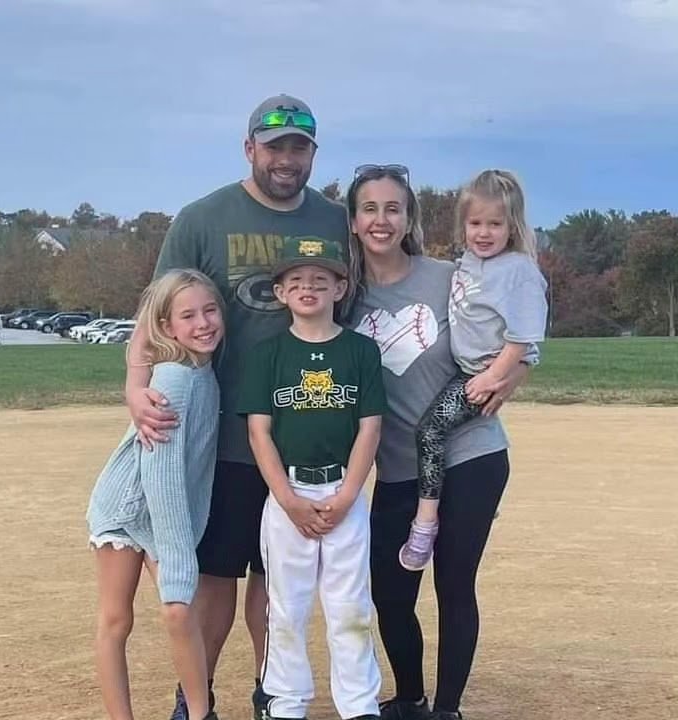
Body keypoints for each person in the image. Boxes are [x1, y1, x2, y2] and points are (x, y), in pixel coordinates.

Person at [124, 94, 348, 720]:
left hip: (305, 431)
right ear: (250, 148)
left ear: (312, 153)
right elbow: (154, 313)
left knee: (278, 579)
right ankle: (194, 698)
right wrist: (135, 387)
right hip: (221, 434)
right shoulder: (203, 219)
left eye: (298, 147)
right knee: (216, 575)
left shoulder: (335, 221)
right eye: (273, 147)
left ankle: (272, 692)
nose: (286, 159)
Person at [347, 164, 529, 720]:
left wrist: (508, 378)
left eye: (393, 208)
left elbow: (519, 337)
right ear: (353, 221)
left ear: (410, 218)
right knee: (391, 594)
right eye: (369, 209)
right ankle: (409, 698)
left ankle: (447, 708)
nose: (382, 220)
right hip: (398, 467)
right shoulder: (343, 295)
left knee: (453, 585)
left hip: (471, 455)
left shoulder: (450, 277)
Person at [238, 236, 386, 720]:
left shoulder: (360, 350)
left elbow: (370, 428)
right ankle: (286, 701)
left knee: (350, 607)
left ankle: (359, 705)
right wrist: (287, 499)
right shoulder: (268, 353)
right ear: (280, 292)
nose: (309, 288)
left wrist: (347, 496)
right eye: (296, 280)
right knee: (286, 606)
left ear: (339, 289)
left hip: (344, 491)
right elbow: (259, 432)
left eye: (321, 280)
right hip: (289, 494)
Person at [87, 269, 225, 720]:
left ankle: (200, 712)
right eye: (188, 316)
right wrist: (178, 556)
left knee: (182, 613)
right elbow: (161, 478)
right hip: (127, 506)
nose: (203, 323)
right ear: (167, 327)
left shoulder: (202, 372)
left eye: (210, 311)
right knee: (120, 619)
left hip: (158, 508)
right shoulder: (172, 381)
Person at [400, 169, 547, 571]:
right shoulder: (466, 263)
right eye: (475, 223)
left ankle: (425, 522)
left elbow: (523, 337)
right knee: (439, 433)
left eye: (495, 224)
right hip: (465, 371)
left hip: (478, 374)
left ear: (512, 226)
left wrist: (495, 377)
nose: (484, 233)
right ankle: (475, 502)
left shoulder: (518, 270)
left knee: (430, 431)